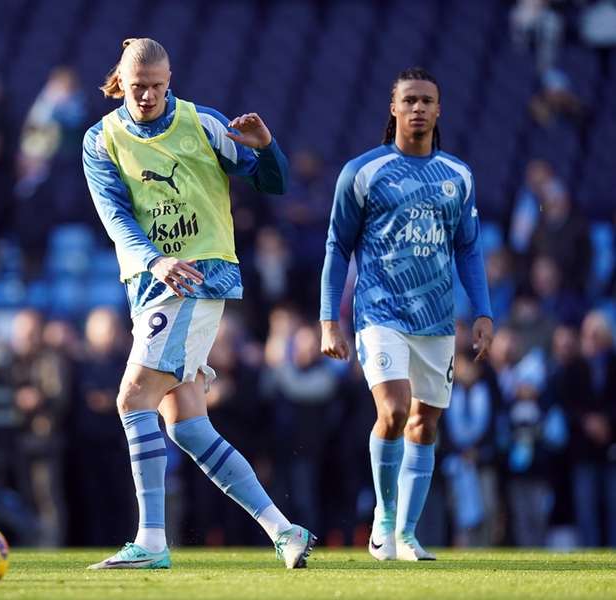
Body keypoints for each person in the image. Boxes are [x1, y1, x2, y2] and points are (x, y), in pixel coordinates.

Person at [81, 37, 314, 570]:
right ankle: (284, 531)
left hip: (197, 276)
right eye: (138, 87)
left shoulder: (202, 124)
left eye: (157, 87)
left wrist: (266, 146)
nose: (148, 97)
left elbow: (273, 184)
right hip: (150, 282)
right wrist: (153, 259)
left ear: (170, 80)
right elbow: (113, 214)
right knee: (186, 424)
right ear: (121, 83)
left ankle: (152, 542)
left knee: (131, 399)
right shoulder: (101, 141)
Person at [319, 68, 494, 561]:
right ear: (393, 109)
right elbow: (337, 246)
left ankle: (408, 535)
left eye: (427, 101)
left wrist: (482, 312)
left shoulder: (458, 177)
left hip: (438, 321)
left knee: (425, 426)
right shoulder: (363, 172)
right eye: (410, 100)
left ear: (439, 111)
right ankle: (385, 521)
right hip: (381, 313)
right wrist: (330, 318)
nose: (418, 108)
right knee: (393, 411)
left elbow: (470, 250)